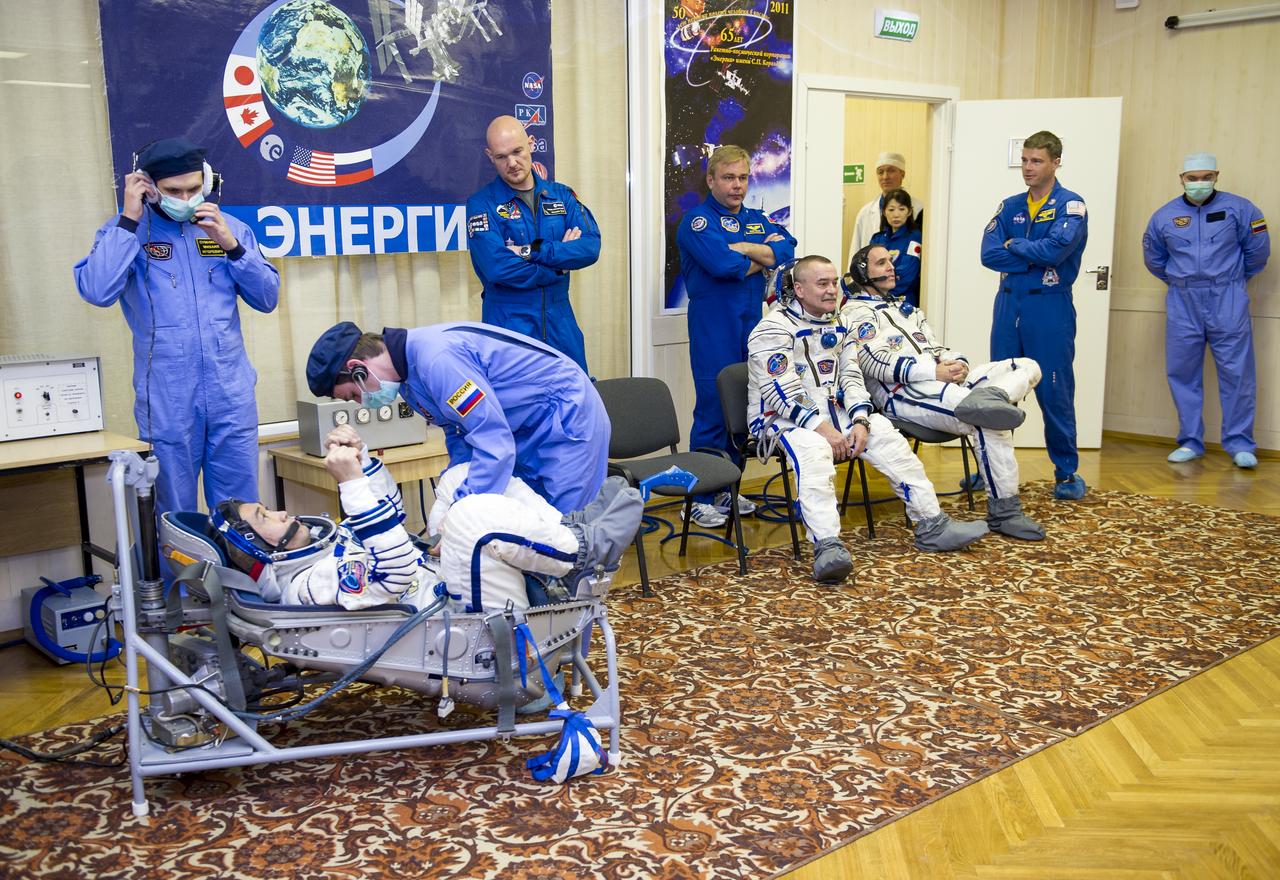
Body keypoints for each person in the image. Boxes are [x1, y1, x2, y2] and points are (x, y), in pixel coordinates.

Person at [212, 424, 642, 615]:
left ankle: (568, 533)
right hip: (460, 623)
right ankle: (580, 554)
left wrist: (362, 464)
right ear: (258, 548)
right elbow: (394, 571)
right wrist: (350, 486)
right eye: (266, 515)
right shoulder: (309, 584)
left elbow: (392, 523)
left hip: (447, 581)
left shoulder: (318, 553)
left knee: (461, 479)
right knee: (472, 516)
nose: (282, 511)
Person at [746, 255, 989, 584]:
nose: (832, 290)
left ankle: (932, 524)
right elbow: (781, 392)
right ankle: (827, 546)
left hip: (837, 412)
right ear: (799, 289)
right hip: (782, 419)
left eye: (834, 282)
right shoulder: (772, 329)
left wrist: (861, 419)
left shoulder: (838, 323)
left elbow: (852, 378)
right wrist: (826, 431)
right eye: (822, 284)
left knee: (888, 437)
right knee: (815, 453)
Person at [73, 136, 280, 516]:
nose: (185, 199)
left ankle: (239, 576)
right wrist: (129, 219)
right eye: (173, 191)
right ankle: (176, 580)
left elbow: (267, 298)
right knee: (171, 514)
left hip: (230, 396)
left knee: (242, 511)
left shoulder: (227, 227)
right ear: (147, 187)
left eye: (193, 189)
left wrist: (232, 246)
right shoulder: (125, 233)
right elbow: (98, 290)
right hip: (168, 400)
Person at [841, 245, 1045, 540]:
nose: (890, 267)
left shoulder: (906, 309)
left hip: (944, 383)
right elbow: (872, 362)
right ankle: (1005, 511)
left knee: (1026, 366)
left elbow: (935, 347)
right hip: (903, 393)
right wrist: (932, 372)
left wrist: (957, 362)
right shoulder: (854, 314)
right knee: (987, 420)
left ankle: (992, 398)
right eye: (881, 263)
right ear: (862, 272)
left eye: (891, 261)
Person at [305, 320, 609, 514]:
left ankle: (577, 609)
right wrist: (451, 496)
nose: (363, 403)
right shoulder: (409, 383)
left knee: (568, 529)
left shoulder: (438, 361)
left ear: (358, 368)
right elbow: (461, 435)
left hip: (566, 415)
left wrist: (462, 507)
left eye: (354, 394)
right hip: (525, 426)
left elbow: (493, 441)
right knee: (533, 522)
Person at [677, 144, 797, 527]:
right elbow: (723, 264)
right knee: (714, 406)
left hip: (752, 323)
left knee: (745, 406)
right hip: (714, 323)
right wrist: (761, 256)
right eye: (728, 177)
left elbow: (789, 249)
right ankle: (698, 497)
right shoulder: (697, 221)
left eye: (743, 177)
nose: (737, 185)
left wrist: (746, 246)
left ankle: (729, 488)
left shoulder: (756, 219)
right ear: (711, 180)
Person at [1142, 152, 1270, 469]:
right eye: (1192, 178)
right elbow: (1154, 260)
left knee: (1238, 373)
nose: (1199, 183)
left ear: (1216, 176)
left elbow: (1258, 253)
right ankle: (1190, 441)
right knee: (1183, 373)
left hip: (1227, 296)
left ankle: (1241, 444)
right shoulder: (1163, 217)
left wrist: (1233, 280)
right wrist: (1182, 282)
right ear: (1181, 179)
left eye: (1205, 177)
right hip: (1183, 299)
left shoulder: (1241, 209)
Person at [980, 130, 1089, 501]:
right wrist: (1031, 251)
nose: (1028, 168)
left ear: (1056, 162)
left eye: (1037, 161)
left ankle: (1066, 471)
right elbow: (989, 254)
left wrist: (1017, 246)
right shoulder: (1009, 205)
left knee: (1055, 389)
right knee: (996, 391)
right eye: (1025, 160)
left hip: (1049, 305)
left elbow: (1057, 251)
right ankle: (990, 470)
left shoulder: (1071, 205)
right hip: (1009, 302)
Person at [464, 115, 601, 374]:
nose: (512, 163)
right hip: (509, 325)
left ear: (531, 144)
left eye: (517, 151)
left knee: (576, 402)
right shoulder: (481, 204)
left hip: (560, 322)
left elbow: (590, 247)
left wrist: (533, 251)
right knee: (518, 409)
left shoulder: (562, 195)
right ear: (489, 156)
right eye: (502, 157)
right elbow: (497, 268)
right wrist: (558, 266)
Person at [847, 151, 924, 258]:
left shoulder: (919, 209)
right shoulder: (865, 212)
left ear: (903, 174)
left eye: (891, 171)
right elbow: (855, 250)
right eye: (880, 172)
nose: (885, 177)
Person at [868, 188, 922, 308]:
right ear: (884, 212)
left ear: (909, 212)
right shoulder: (877, 239)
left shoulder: (914, 237)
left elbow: (908, 274)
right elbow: (867, 270)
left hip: (903, 302)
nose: (896, 214)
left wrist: (881, 292)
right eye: (891, 209)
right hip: (875, 301)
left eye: (902, 209)